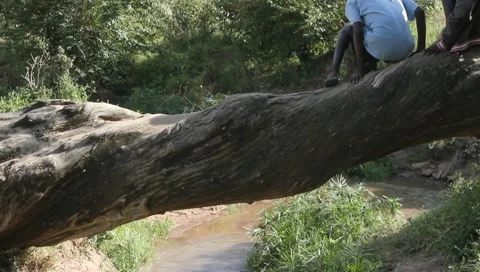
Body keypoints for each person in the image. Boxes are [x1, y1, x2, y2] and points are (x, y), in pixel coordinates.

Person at [324, 0, 426, 87]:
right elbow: (420, 12)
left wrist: (359, 70)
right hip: (406, 48)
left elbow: (357, 31)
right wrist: (420, 48)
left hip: (383, 48)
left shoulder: (353, 1)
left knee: (347, 28)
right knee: (372, 30)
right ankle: (368, 63)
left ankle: (334, 72)